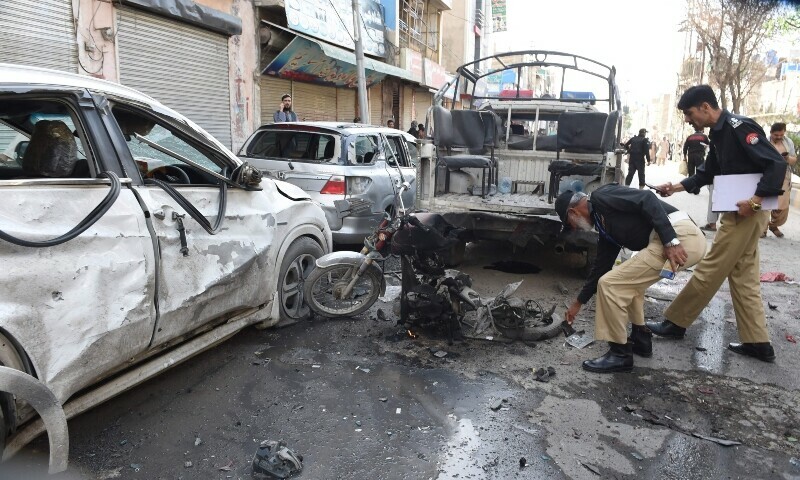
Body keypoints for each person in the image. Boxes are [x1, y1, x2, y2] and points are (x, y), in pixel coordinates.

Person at [648, 85, 787, 363]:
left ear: (705, 107)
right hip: (739, 210)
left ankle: (675, 322)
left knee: (710, 268)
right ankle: (757, 342)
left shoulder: (738, 127)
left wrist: (756, 202)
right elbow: (708, 172)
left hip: (745, 212)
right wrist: (674, 187)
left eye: (689, 113)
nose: (688, 119)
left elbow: (776, 164)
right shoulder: (719, 134)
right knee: (743, 275)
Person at [557, 185, 706, 373]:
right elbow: (600, 269)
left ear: (573, 211)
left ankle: (619, 354)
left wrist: (670, 241)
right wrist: (578, 303)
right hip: (677, 238)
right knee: (626, 281)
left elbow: (647, 197)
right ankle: (641, 339)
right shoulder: (604, 225)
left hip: (680, 237)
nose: (575, 228)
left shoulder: (600, 197)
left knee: (611, 285)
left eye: (570, 223)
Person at [762, 122, 797, 238]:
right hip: (768, 173)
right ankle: (762, 228)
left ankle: (773, 225)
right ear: (771, 133)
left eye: (781, 135)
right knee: (765, 202)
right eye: (776, 135)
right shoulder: (765, 141)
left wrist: (787, 158)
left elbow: (794, 160)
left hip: (784, 174)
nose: (779, 137)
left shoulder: (788, 142)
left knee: (782, 206)